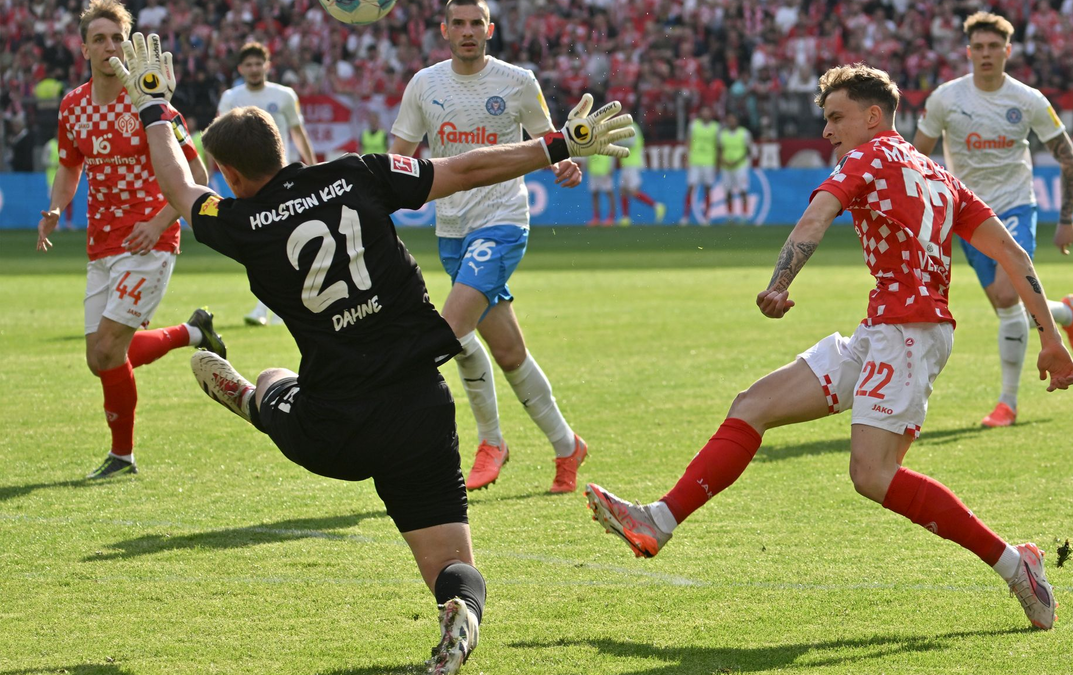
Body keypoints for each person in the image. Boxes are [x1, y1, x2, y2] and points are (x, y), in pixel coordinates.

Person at [107, 29, 630, 674]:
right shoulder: (357, 173)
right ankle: (460, 611)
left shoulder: (241, 224)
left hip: (334, 425)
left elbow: (179, 190)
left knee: (273, 377)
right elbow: (464, 170)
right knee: (451, 567)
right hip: (419, 409)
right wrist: (558, 144)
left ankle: (252, 399)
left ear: (233, 175)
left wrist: (154, 106)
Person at [585, 63, 1073, 632]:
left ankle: (1019, 568)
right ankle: (658, 521)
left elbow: (817, 215)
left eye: (836, 117)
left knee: (872, 475)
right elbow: (1014, 257)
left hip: (910, 335)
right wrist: (1051, 338)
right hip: (885, 330)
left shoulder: (865, 158)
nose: (827, 131)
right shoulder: (941, 177)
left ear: (874, 117)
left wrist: (779, 283)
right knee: (753, 404)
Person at [389, 0, 590, 494]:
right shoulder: (425, 84)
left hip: (502, 222)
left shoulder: (518, 81)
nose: (467, 31)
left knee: (450, 333)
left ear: (489, 29)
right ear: (444, 30)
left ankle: (490, 443)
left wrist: (562, 163)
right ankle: (568, 446)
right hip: (451, 229)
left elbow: (548, 142)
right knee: (507, 351)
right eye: (458, 23)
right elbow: (397, 155)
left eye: (475, 23)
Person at [35, 1, 223, 480]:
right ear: (84, 49)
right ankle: (192, 332)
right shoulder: (72, 105)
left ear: (130, 43)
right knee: (100, 358)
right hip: (101, 241)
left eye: (117, 38)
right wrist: (57, 206)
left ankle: (123, 457)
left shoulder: (151, 100)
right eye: (99, 39)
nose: (110, 47)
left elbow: (198, 175)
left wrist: (159, 223)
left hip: (148, 239)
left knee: (107, 348)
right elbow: (70, 164)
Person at [913, 12, 1073, 428]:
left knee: (1009, 297)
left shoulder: (1028, 100)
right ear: (969, 51)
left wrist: (1066, 219)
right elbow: (916, 158)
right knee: (1004, 301)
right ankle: (1064, 312)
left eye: (994, 47)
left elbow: (1069, 158)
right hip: (967, 216)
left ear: (1008, 51)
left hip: (1014, 208)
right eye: (979, 47)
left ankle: (1007, 403)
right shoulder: (945, 99)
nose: (986, 54)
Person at [215, 41, 317, 327]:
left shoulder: (284, 95)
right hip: (248, 184)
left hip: (283, 179)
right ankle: (277, 306)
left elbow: (298, 132)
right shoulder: (230, 97)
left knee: (284, 239)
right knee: (266, 243)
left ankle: (267, 308)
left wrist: (312, 169)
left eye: (258, 63)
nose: (254, 69)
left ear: (267, 66)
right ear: (240, 69)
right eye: (248, 64)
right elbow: (222, 138)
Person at [616, 118, 666, 226]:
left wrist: (616, 141)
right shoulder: (624, 128)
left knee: (633, 191)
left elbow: (630, 142)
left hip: (633, 163)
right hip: (626, 164)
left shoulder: (633, 127)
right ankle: (626, 218)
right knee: (623, 190)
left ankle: (657, 206)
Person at [680, 105, 718, 225]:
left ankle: (706, 216)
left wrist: (717, 163)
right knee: (691, 188)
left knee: (707, 189)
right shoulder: (693, 125)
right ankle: (686, 216)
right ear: (700, 113)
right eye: (704, 111)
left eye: (708, 111)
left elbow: (718, 146)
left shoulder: (716, 127)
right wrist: (686, 158)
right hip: (695, 161)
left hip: (709, 161)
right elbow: (688, 142)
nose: (706, 113)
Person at [717, 112, 753, 224]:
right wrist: (724, 160)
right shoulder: (722, 134)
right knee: (728, 191)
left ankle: (744, 215)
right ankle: (730, 215)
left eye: (733, 119)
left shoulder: (744, 133)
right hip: (726, 166)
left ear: (737, 121)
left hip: (740, 166)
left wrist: (737, 160)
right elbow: (719, 150)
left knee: (743, 190)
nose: (731, 122)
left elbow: (748, 150)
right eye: (729, 120)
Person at [586, 152, 617, 226]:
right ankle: (596, 218)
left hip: (605, 172)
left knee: (609, 194)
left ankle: (611, 218)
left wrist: (611, 169)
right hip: (593, 171)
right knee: (594, 194)